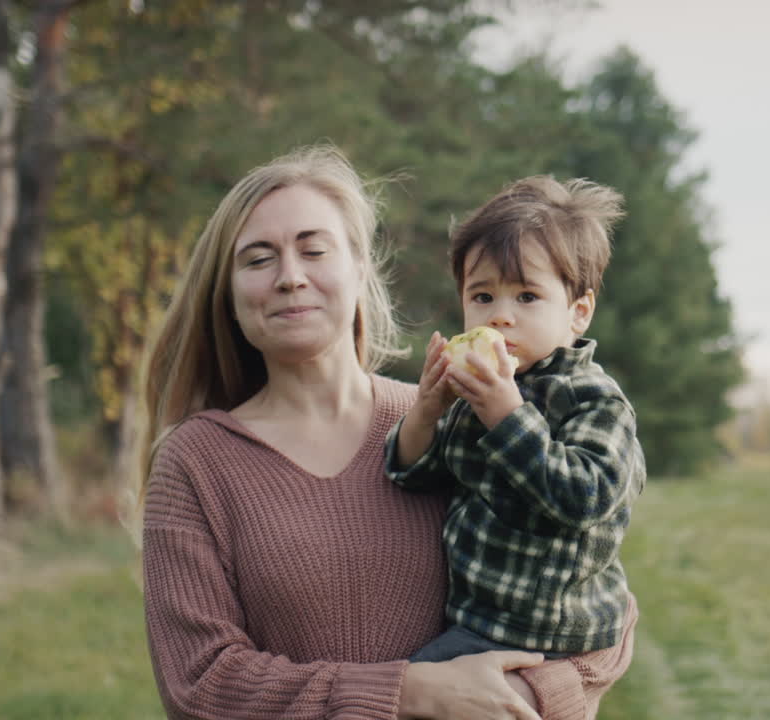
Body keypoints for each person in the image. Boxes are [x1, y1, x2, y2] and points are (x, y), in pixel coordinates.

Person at [139, 145, 637, 720]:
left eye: (313, 249)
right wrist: (409, 693)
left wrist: (526, 699)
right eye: (257, 259)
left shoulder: (465, 415)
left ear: (359, 268)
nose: (290, 277)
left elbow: (598, 605)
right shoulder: (195, 463)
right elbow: (198, 683)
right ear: (226, 294)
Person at [387, 176, 645, 664]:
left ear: (578, 313)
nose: (499, 317)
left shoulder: (593, 401)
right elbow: (413, 476)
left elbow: (584, 498)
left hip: (544, 629)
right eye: (482, 297)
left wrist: (507, 415)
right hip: (475, 617)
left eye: (527, 297)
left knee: (413, 693)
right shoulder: (476, 393)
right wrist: (426, 410)